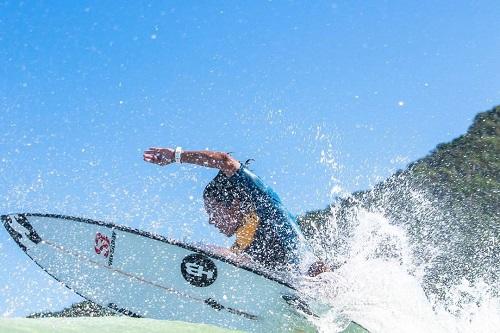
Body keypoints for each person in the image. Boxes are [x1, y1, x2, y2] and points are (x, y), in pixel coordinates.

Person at [143, 147, 328, 276]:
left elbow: (225, 161)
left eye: (213, 212)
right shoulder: (243, 240)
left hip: (318, 280)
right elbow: (236, 259)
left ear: (234, 204)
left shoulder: (266, 207)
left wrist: (176, 156)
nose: (211, 221)